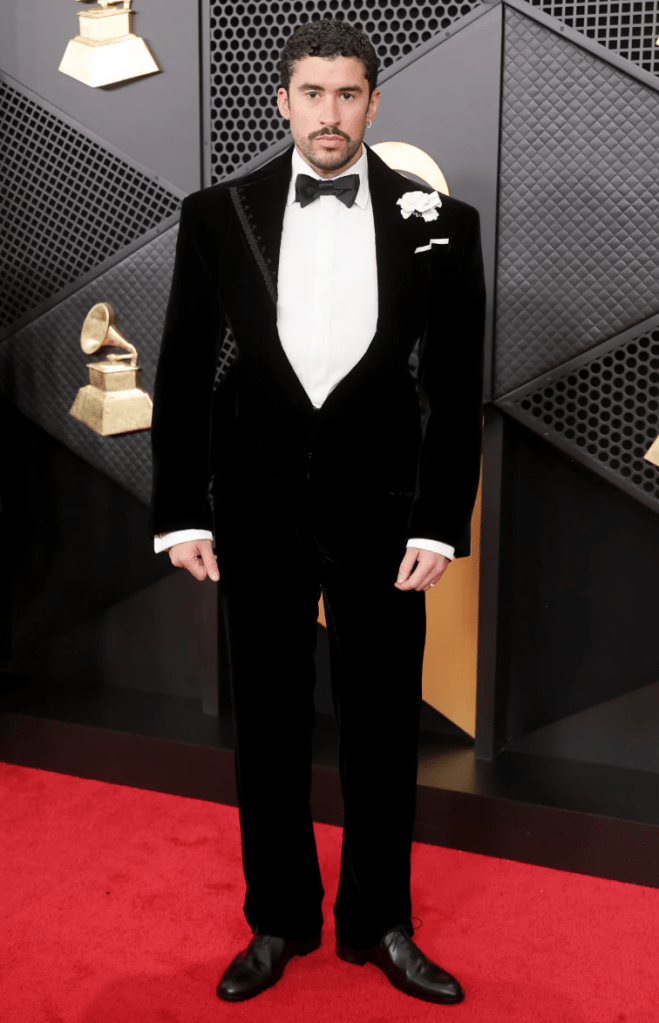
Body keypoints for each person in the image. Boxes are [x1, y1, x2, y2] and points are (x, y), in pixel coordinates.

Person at [149, 18, 485, 1006]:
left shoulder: (442, 221)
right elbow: (181, 366)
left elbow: (454, 388)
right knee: (267, 721)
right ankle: (278, 916)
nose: (329, 113)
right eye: (312, 94)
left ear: (373, 102)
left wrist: (438, 520)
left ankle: (378, 921)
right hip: (253, 507)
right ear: (283, 102)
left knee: (381, 726)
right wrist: (181, 511)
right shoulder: (217, 214)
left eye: (347, 95)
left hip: (385, 512)